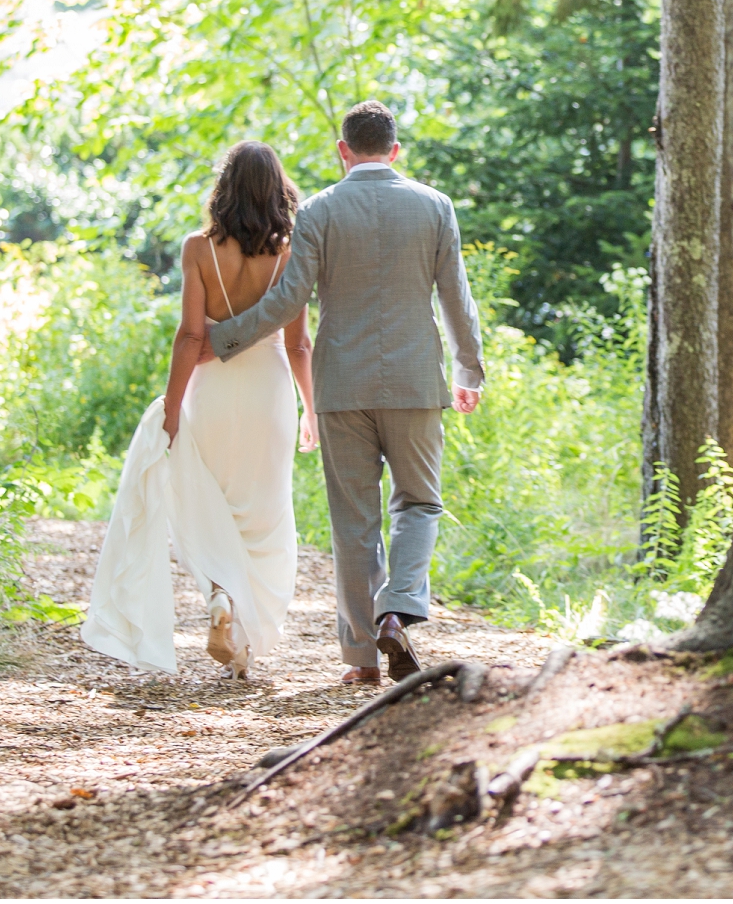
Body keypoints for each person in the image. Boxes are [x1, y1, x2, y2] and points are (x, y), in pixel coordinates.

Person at [203, 100, 484, 685]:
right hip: (413, 382)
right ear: (396, 150)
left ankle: (360, 661)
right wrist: (468, 372)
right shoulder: (435, 207)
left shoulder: (320, 211)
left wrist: (221, 339)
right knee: (419, 502)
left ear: (344, 151)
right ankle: (398, 607)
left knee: (353, 521)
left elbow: (287, 304)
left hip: (341, 384)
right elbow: (456, 297)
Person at [81, 142, 315, 679]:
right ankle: (243, 636)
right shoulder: (292, 249)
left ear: (224, 186)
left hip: (212, 391)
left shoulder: (197, 249)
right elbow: (300, 344)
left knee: (212, 506)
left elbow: (191, 335)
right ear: (278, 188)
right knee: (264, 516)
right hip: (269, 392)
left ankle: (219, 596)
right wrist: (312, 407)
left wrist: (172, 404)